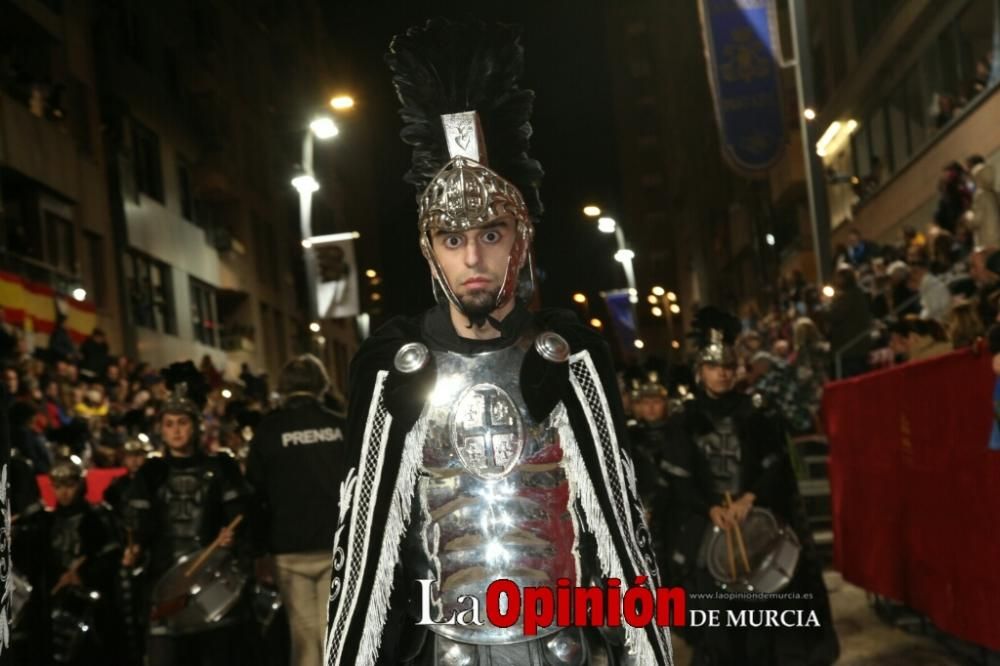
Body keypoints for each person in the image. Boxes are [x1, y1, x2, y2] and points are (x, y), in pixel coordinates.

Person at [324, 19, 671, 665]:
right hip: (443, 648)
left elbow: (621, 530)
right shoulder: (393, 369)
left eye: (491, 233)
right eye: (452, 240)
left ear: (522, 239)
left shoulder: (568, 357)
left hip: (563, 643)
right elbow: (363, 552)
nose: (473, 257)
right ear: (429, 252)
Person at [659, 307, 839, 666]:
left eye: (728, 367)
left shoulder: (757, 410)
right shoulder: (684, 417)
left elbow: (777, 466)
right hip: (707, 526)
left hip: (756, 521)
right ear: (701, 371)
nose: (723, 374)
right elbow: (679, 479)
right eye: (714, 367)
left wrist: (749, 499)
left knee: (762, 623)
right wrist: (710, 508)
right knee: (716, 625)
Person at [122, 362, 252, 666]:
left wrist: (231, 535)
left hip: (212, 582)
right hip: (163, 584)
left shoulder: (221, 466)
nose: (176, 430)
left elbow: (242, 515)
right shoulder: (150, 472)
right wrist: (134, 547)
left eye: (182, 422)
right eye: (169, 424)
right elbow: (135, 523)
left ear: (196, 426)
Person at [246, 354, 348, 666]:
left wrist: (257, 550)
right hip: (337, 545)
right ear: (322, 385)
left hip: (288, 548)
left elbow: (254, 494)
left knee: (304, 638)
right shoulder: (342, 426)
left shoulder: (267, 432)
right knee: (337, 632)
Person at [43, 458, 122, 665]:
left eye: (69, 486)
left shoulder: (98, 516)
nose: (64, 493)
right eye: (58, 487)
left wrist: (84, 576)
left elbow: (111, 556)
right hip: (57, 600)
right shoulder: (47, 521)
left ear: (80, 484)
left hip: (92, 602)